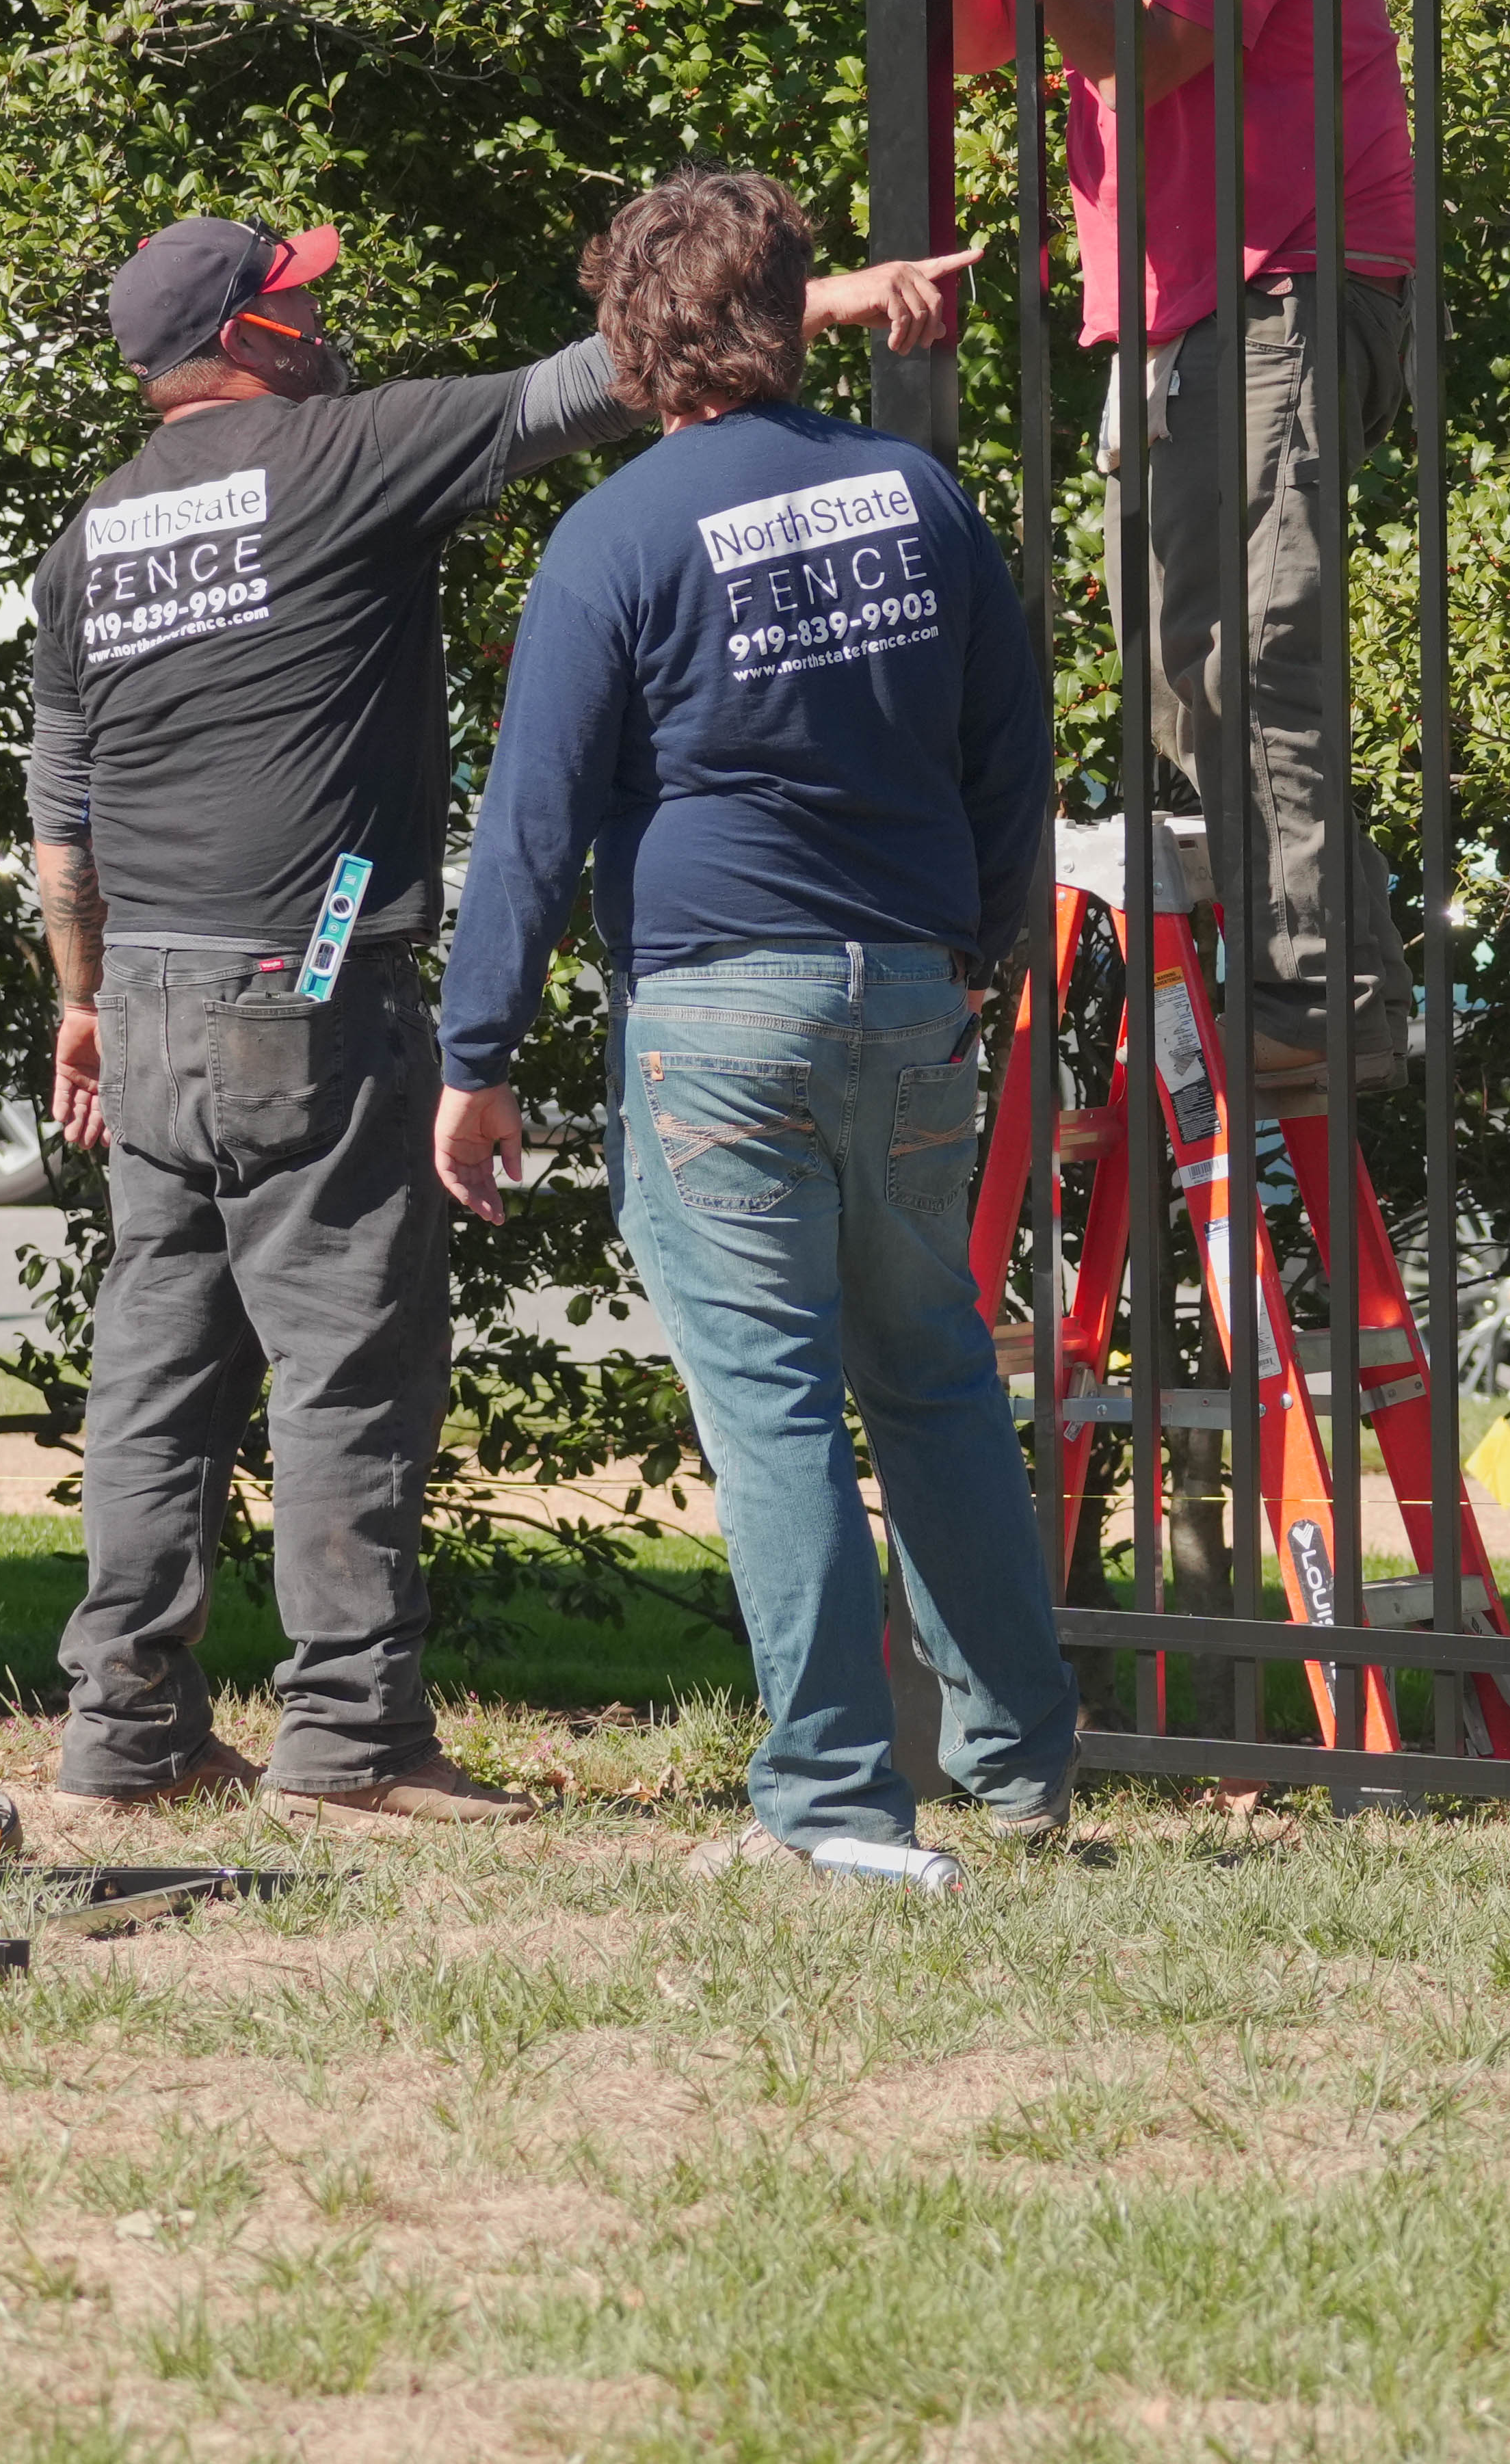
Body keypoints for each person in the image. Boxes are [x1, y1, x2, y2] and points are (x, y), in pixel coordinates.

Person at [26, 204, 972, 1820]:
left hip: (153, 988)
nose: (326, 324)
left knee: (156, 1369)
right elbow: (587, 388)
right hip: (307, 972)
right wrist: (823, 299)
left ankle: (125, 1731)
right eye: (298, 306)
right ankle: (351, 1736)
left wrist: (83, 997)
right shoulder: (335, 454)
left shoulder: (92, 536)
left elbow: (61, 807)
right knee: (350, 1358)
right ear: (242, 342)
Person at [427, 166, 1074, 1873]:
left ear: (634, 343)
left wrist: (475, 1052)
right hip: (915, 989)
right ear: (792, 315)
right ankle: (1019, 1769)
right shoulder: (918, 494)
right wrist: (980, 946)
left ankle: (832, 1800)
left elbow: (534, 817)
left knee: (775, 1397)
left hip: (719, 1007)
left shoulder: (618, 533)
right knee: (934, 1370)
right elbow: (1013, 754)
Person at [931, 0, 1418, 1099]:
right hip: (1169, 308)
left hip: (1287, 284)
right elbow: (977, 41)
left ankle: (1322, 996)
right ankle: (1317, 972)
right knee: (1175, 658)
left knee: (1266, 637)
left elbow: (1147, 46)